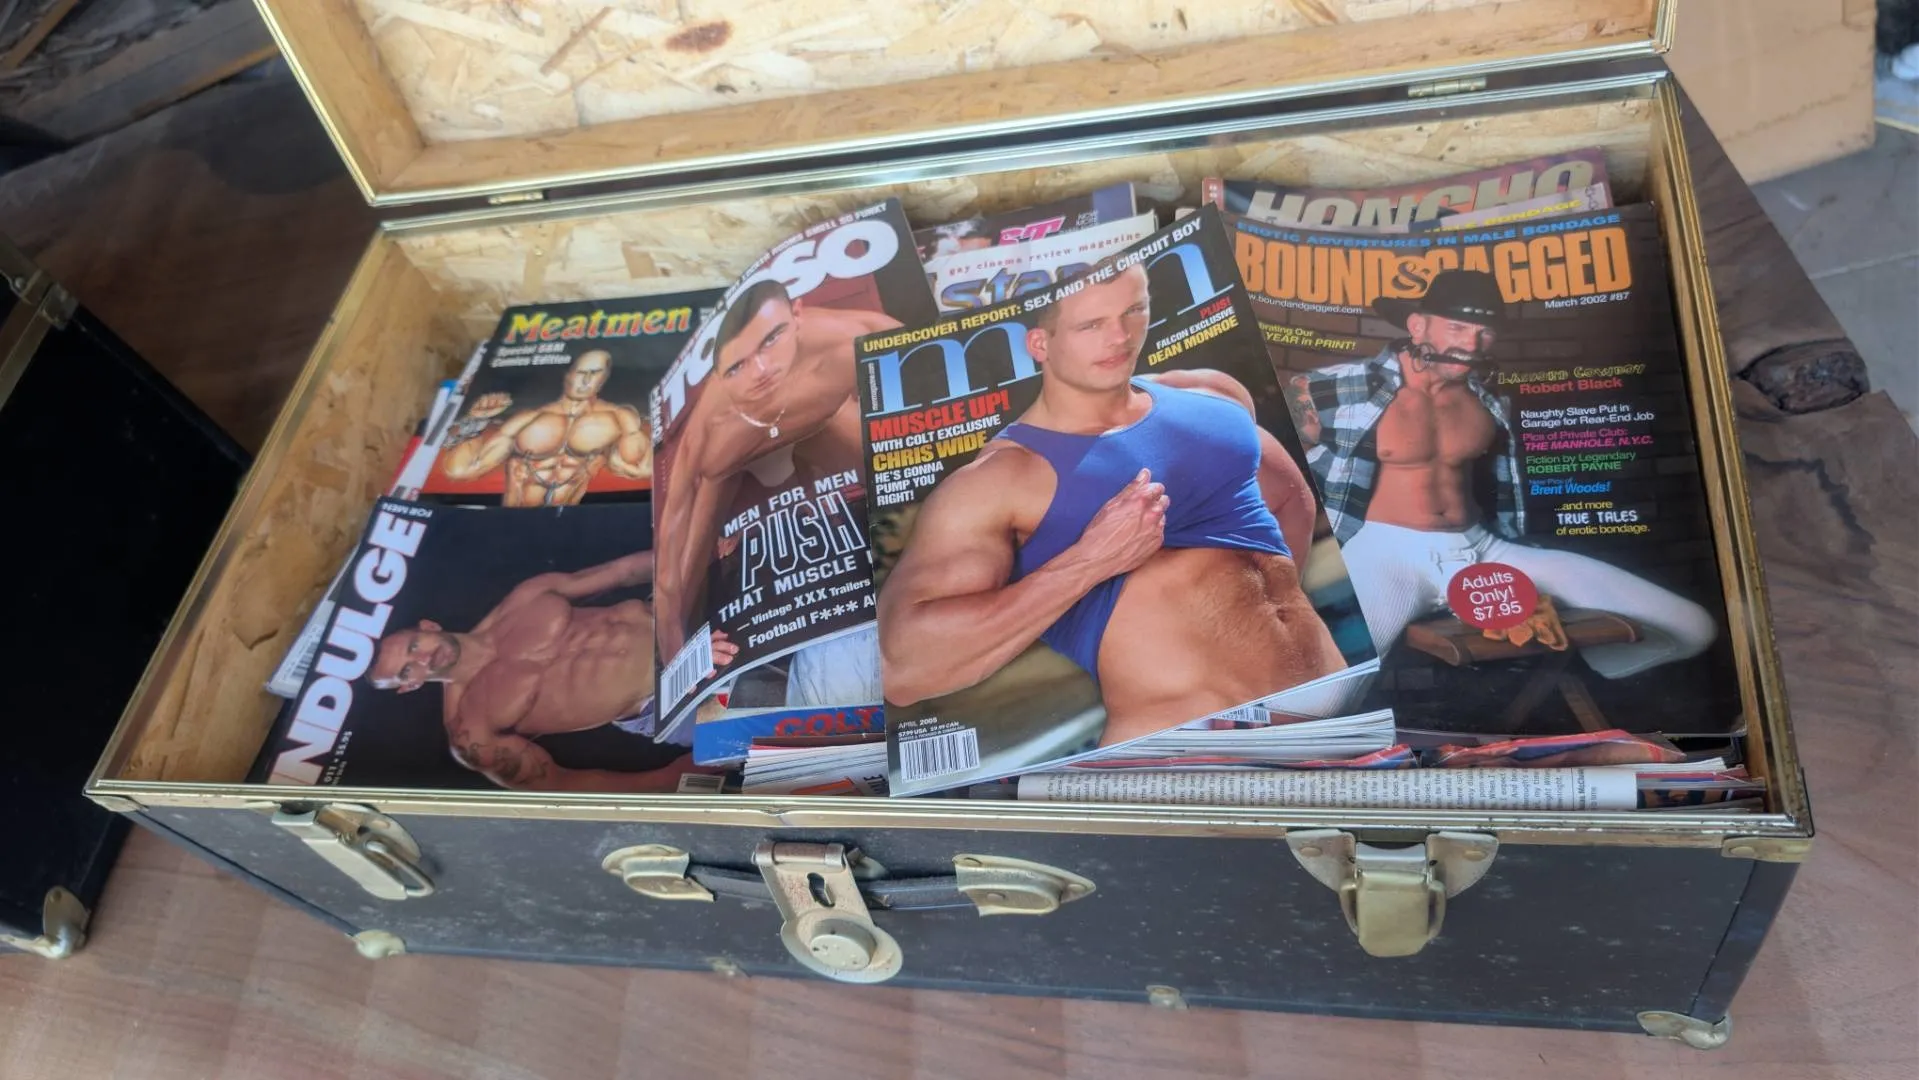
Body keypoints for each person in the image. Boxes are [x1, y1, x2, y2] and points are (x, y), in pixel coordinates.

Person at [877, 261, 1343, 747]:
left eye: (1132, 311)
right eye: (1091, 325)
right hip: (1191, 751)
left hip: (1334, 706)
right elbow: (904, 670)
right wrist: (1089, 562)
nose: (1120, 337)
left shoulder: (1210, 394)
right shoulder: (1000, 479)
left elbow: (1291, 500)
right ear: (1041, 344)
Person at [1290, 268, 1717, 674]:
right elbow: (1274, 464)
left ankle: (1596, 677)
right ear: (1418, 326)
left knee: (1691, 627)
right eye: (1457, 327)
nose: (1472, 344)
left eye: (1485, 332)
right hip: (1386, 553)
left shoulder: (1489, 398)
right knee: (1325, 699)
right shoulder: (1335, 385)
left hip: (1484, 550)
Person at [651, 279, 900, 699]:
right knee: (688, 564)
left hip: (830, 426)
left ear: (797, 315)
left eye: (771, 339)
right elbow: (669, 574)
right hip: (737, 459)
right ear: (719, 375)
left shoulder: (852, 337)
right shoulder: (711, 426)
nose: (761, 371)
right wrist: (682, 660)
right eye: (737, 367)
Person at [367, 550, 736, 791]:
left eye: (414, 646)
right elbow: (564, 785)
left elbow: (621, 572)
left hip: (685, 624)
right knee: (770, 734)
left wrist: (700, 552)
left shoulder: (524, 599)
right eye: (407, 671)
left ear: (428, 627)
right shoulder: (471, 733)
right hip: (668, 702)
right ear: (410, 687)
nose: (423, 659)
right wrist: (670, 778)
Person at [438, 349, 649, 506]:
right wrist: (475, 421)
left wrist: (618, 462)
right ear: (568, 374)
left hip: (568, 522)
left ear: (603, 378)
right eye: (580, 372)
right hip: (513, 519)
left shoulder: (619, 418)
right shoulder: (528, 419)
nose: (586, 380)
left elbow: (644, 468)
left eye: (594, 373)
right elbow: (460, 471)